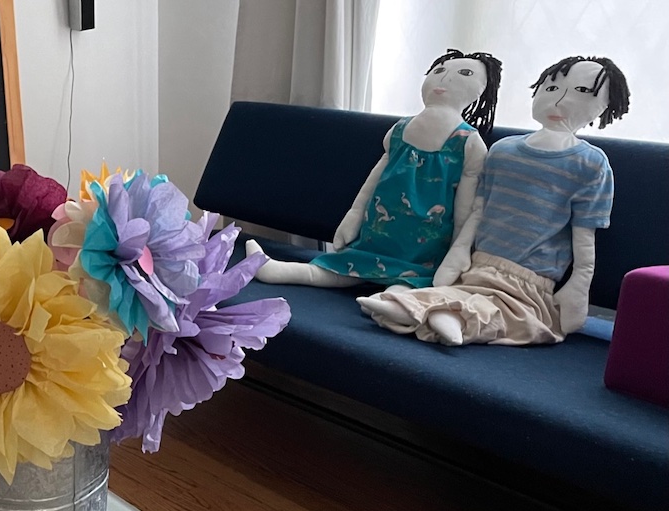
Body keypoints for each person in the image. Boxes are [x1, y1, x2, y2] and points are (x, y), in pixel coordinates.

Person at [358, 56, 630, 346]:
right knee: (459, 292)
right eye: (550, 89)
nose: (559, 100)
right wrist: (460, 251)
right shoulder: (503, 151)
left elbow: (584, 236)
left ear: (602, 108)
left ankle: (452, 318)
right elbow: (479, 210)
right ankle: (421, 307)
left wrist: (578, 285)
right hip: (478, 267)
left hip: (529, 283)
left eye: (581, 92)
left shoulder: (590, 163)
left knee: (505, 311)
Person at [246, 48, 502, 289]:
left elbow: (467, 206)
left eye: (464, 74)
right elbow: (375, 177)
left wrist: (458, 250)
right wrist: (354, 215)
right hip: (374, 239)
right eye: (439, 70)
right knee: (340, 265)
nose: (445, 78)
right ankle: (275, 269)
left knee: (410, 285)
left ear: (480, 91)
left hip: (423, 254)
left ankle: (399, 300)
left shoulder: (467, 142)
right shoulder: (401, 129)